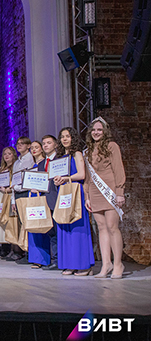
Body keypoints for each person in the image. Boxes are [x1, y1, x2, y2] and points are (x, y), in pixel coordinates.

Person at [84, 117, 126, 279]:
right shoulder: (88, 150)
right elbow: (88, 177)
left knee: (112, 226)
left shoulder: (111, 146)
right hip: (94, 192)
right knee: (101, 227)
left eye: (99, 130)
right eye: (94, 130)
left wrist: (120, 192)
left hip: (109, 190)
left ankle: (118, 264)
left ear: (105, 131)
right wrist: (87, 196)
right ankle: (106, 263)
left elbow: (118, 169)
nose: (96, 132)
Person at [54, 127, 95, 276]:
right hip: (64, 191)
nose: (65, 139)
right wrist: (57, 180)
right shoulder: (60, 157)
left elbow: (82, 174)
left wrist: (66, 178)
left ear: (73, 138)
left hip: (76, 191)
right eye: (62, 136)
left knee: (77, 228)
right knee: (64, 227)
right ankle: (70, 264)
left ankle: (84, 265)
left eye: (68, 136)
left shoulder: (77, 153)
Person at [28, 135, 59, 270]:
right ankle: (54, 259)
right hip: (45, 201)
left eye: (48, 143)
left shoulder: (59, 160)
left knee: (58, 232)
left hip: (57, 199)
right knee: (50, 232)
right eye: (44, 143)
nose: (46, 145)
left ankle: (59, 260)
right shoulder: (41, 164)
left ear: (55, 145)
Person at [12, 136, 35, 264]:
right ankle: (25, 252)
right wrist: (12, 200)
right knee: (22, 224)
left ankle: (31, 253)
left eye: (22, 143)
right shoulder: (17, 162)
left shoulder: (31, 159)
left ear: (28, 146)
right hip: (17, 193)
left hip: (26, 192)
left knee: (29, 223)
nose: (19, 145)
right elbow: (14, 181)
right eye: (18, 143)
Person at [0, 147, 18, 259]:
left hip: (9, 196)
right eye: (5, 154)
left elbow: (16, 183)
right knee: (2, 221)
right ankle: (6, 248)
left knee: (10, 222)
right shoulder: (1, 168)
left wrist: (7, 190)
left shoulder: (15, 167)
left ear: (13, 155)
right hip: (1, 197)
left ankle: (14, 249)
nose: (7, 156)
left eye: (9, 154)